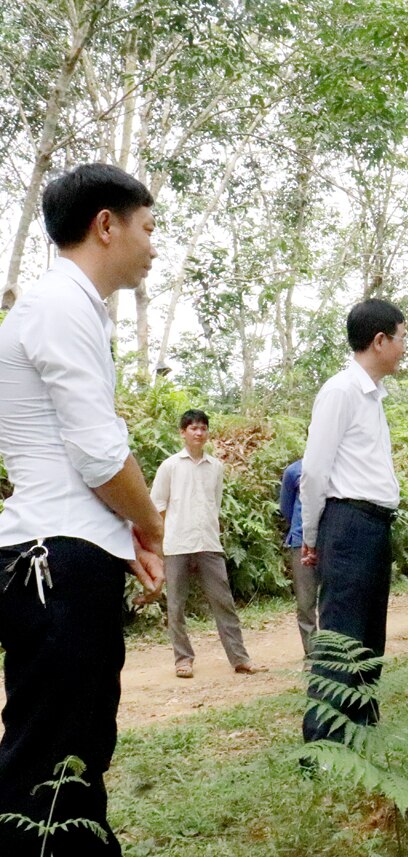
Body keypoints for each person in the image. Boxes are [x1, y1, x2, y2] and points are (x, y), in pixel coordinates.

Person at [0, 163, 165, 856]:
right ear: (107, 225)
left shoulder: (61, 307)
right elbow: (100, 456)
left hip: (61, 554)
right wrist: (152, 525)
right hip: (56, 565)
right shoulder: (61, 305)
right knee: (53, 762)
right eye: (149, 228)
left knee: (70, 753)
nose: (155, 246)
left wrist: (122, 540)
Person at [300, 298, 406, 743]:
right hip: (347, 523)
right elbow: (314, 471)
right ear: (379, 341)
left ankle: (361, 728)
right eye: (402, 339)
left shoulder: (372, 398)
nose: (404, 348)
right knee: (341, 635)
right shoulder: (341, 391)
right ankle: (324, 743)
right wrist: (310, 534)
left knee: (367, 634)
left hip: (374, 525)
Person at [152, 409, 265, 679]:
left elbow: (215, 503)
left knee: (223, 602)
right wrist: (162, 542)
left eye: (203, 428)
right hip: (177, 544)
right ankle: (183, 659)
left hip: (209, 543)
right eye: (193, 428)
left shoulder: (216, 467)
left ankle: (240, 658)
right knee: (176, 605)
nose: (199, 433)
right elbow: (158, 507)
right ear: (182, 432)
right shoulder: (170, 466)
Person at [279, 459, 317, 654]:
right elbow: (285, 507)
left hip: (333, 541)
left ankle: (335, 652)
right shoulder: (294, 471)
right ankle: (313, 655)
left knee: (335, 599)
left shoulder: (339, 467)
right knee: (305, 602)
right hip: (300, 542)